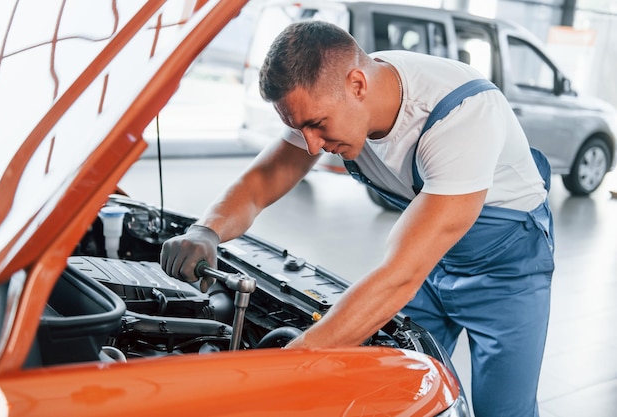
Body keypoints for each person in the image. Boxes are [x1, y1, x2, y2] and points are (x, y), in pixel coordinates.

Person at [160, 21, 554, 417]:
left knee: (504, 411)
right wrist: (205, 230)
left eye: (316, 125)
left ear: (358, 86)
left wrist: (298, 358)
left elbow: (399, 274)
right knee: (394, 390)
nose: (312, 145)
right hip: (431, 256)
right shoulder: (329, 95)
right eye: (300, 128)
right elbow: (264, 180)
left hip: (507, 269)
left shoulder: (460, 116)